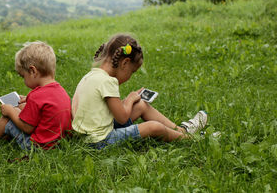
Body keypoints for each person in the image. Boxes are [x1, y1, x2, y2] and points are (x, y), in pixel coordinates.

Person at [71, 33, 207, 149]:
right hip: (99, 141)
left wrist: (133, 100)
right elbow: (122, 118)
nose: (130, 76)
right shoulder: (108, 81)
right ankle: (191, 139)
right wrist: (130, 99)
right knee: (154, 127)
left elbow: (105, 111)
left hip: (86, 137)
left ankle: (181, 130)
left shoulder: (91, 75)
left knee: (141, 105)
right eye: (132, 72)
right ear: (124, 63)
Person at [0, 41, 72, 151]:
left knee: (7, 119)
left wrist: (10, 111)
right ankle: (3, 138)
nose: (23, 80)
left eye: (23, 76)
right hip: (58, 143)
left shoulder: (36, 96)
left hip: (38, 147)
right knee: (21, 107)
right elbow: (44, 107)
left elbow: (27, 128)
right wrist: (28, 100)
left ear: (33, 71)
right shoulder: (60, 90)